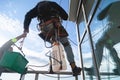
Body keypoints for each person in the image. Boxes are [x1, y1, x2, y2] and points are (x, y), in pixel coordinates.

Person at [23, 1, 81, 76]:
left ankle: (51, 67)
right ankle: (74, 68)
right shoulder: (53, 4)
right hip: (55, 25)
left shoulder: (37, 7)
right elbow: (65, 17)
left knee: (54, 47)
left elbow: (28, 15)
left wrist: (26, 28)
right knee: (66, 45)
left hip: (45, 30)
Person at [86, 1, 120, 74]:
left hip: (114, 29)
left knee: (99, 44)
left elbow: (99, 17)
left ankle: (95, 69)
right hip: (116, 33)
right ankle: (119, 66)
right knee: (108, 45)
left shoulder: (113, 4)